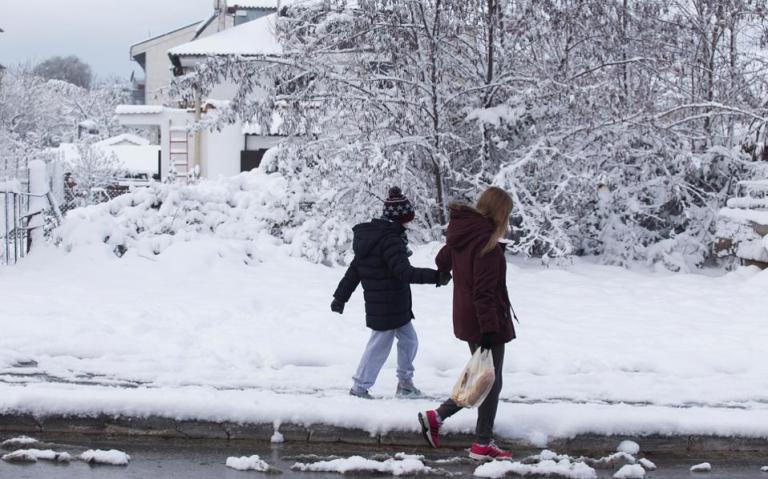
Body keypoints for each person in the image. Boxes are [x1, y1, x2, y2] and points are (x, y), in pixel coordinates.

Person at [418, 186, 516, 460]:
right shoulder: (487, 245)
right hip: (485, 323)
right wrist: (489, 330)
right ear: (500, 212)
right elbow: (483, 293)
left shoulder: (464, 233)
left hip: (467, 317)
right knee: (489, 381)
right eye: (506, 213)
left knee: (482, 376)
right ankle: (480, 442)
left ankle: (440, 419)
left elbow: (441, 261)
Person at [331, 187, 452, 399]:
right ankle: (359, 388)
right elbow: (404, 272)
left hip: (394, 304)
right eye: (408, 219)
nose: (409, 223)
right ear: (401, 219)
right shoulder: (389, 239)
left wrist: (340, 297)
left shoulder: (378, 237)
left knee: (409, 341)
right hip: (386, 306)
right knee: (379, 347)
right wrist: (437, 277)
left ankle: (405, 384)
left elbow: (354, 270)